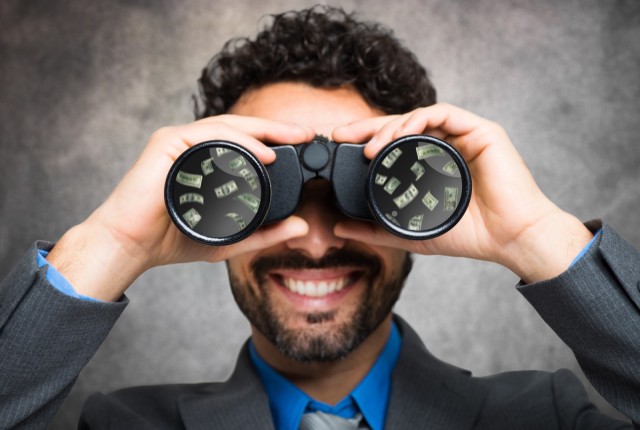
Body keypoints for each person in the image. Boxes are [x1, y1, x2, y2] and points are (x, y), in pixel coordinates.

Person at [1, 5, 639, 429]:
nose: (313, 240)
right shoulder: (123, 425)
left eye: (352, 190)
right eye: (268, 194)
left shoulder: (541, 416)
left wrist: (540, 238)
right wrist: (109, 245)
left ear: (409, 201)